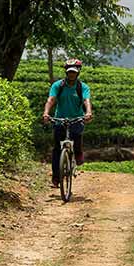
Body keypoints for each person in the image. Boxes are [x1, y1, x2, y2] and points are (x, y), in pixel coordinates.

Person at [42, 58, 93, 188]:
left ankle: (78, 152)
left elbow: (86, 100)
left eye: (74, 72)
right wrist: (46, 113)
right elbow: (51, 99)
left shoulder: (82, 87)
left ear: (78, 72)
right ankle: (56, 177)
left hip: (76, 119)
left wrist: (88, 112)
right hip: (60, 120)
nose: (72, 74)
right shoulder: (58, 85)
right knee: (57, 150)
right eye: (69, 72)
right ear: (66, 72)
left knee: (76, 138)